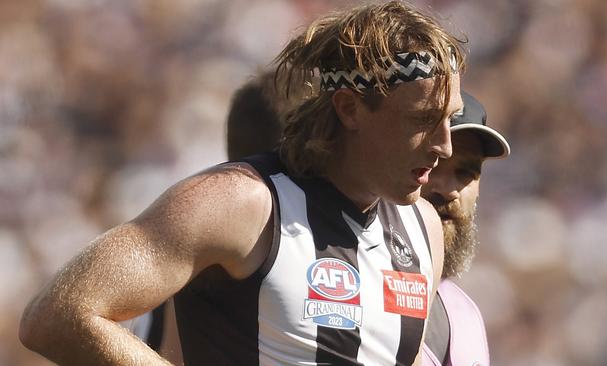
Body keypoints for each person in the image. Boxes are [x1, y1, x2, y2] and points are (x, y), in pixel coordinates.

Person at [19, 2, 466, 365]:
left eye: (449, 120)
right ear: (349, 109)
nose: (445, 146)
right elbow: (60, 313)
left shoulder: (422, 227)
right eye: (422, 120)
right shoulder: (244, 202)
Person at [421, 91, 511, 366]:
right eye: (433, 165)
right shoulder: (353, 281)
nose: (449, 191)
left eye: (466, 173)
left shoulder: (465, 314)